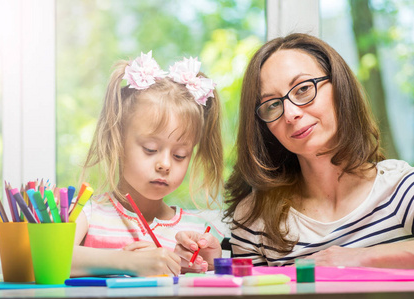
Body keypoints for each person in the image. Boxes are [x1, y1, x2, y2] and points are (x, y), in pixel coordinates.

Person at [224, 33, 414, 269]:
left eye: (303, 89)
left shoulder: (401, 188)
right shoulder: (253, 218)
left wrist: (360, 257)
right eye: (273, 104)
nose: (290, 113)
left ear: (339, 87)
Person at [71, 51, 223, 277]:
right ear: (117, 142)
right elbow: (44, 261)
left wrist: (210, 262)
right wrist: (126, 262)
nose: (164, 164)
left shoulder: (196, 229)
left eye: (180, 155)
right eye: (150, 149)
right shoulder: (87, 213)